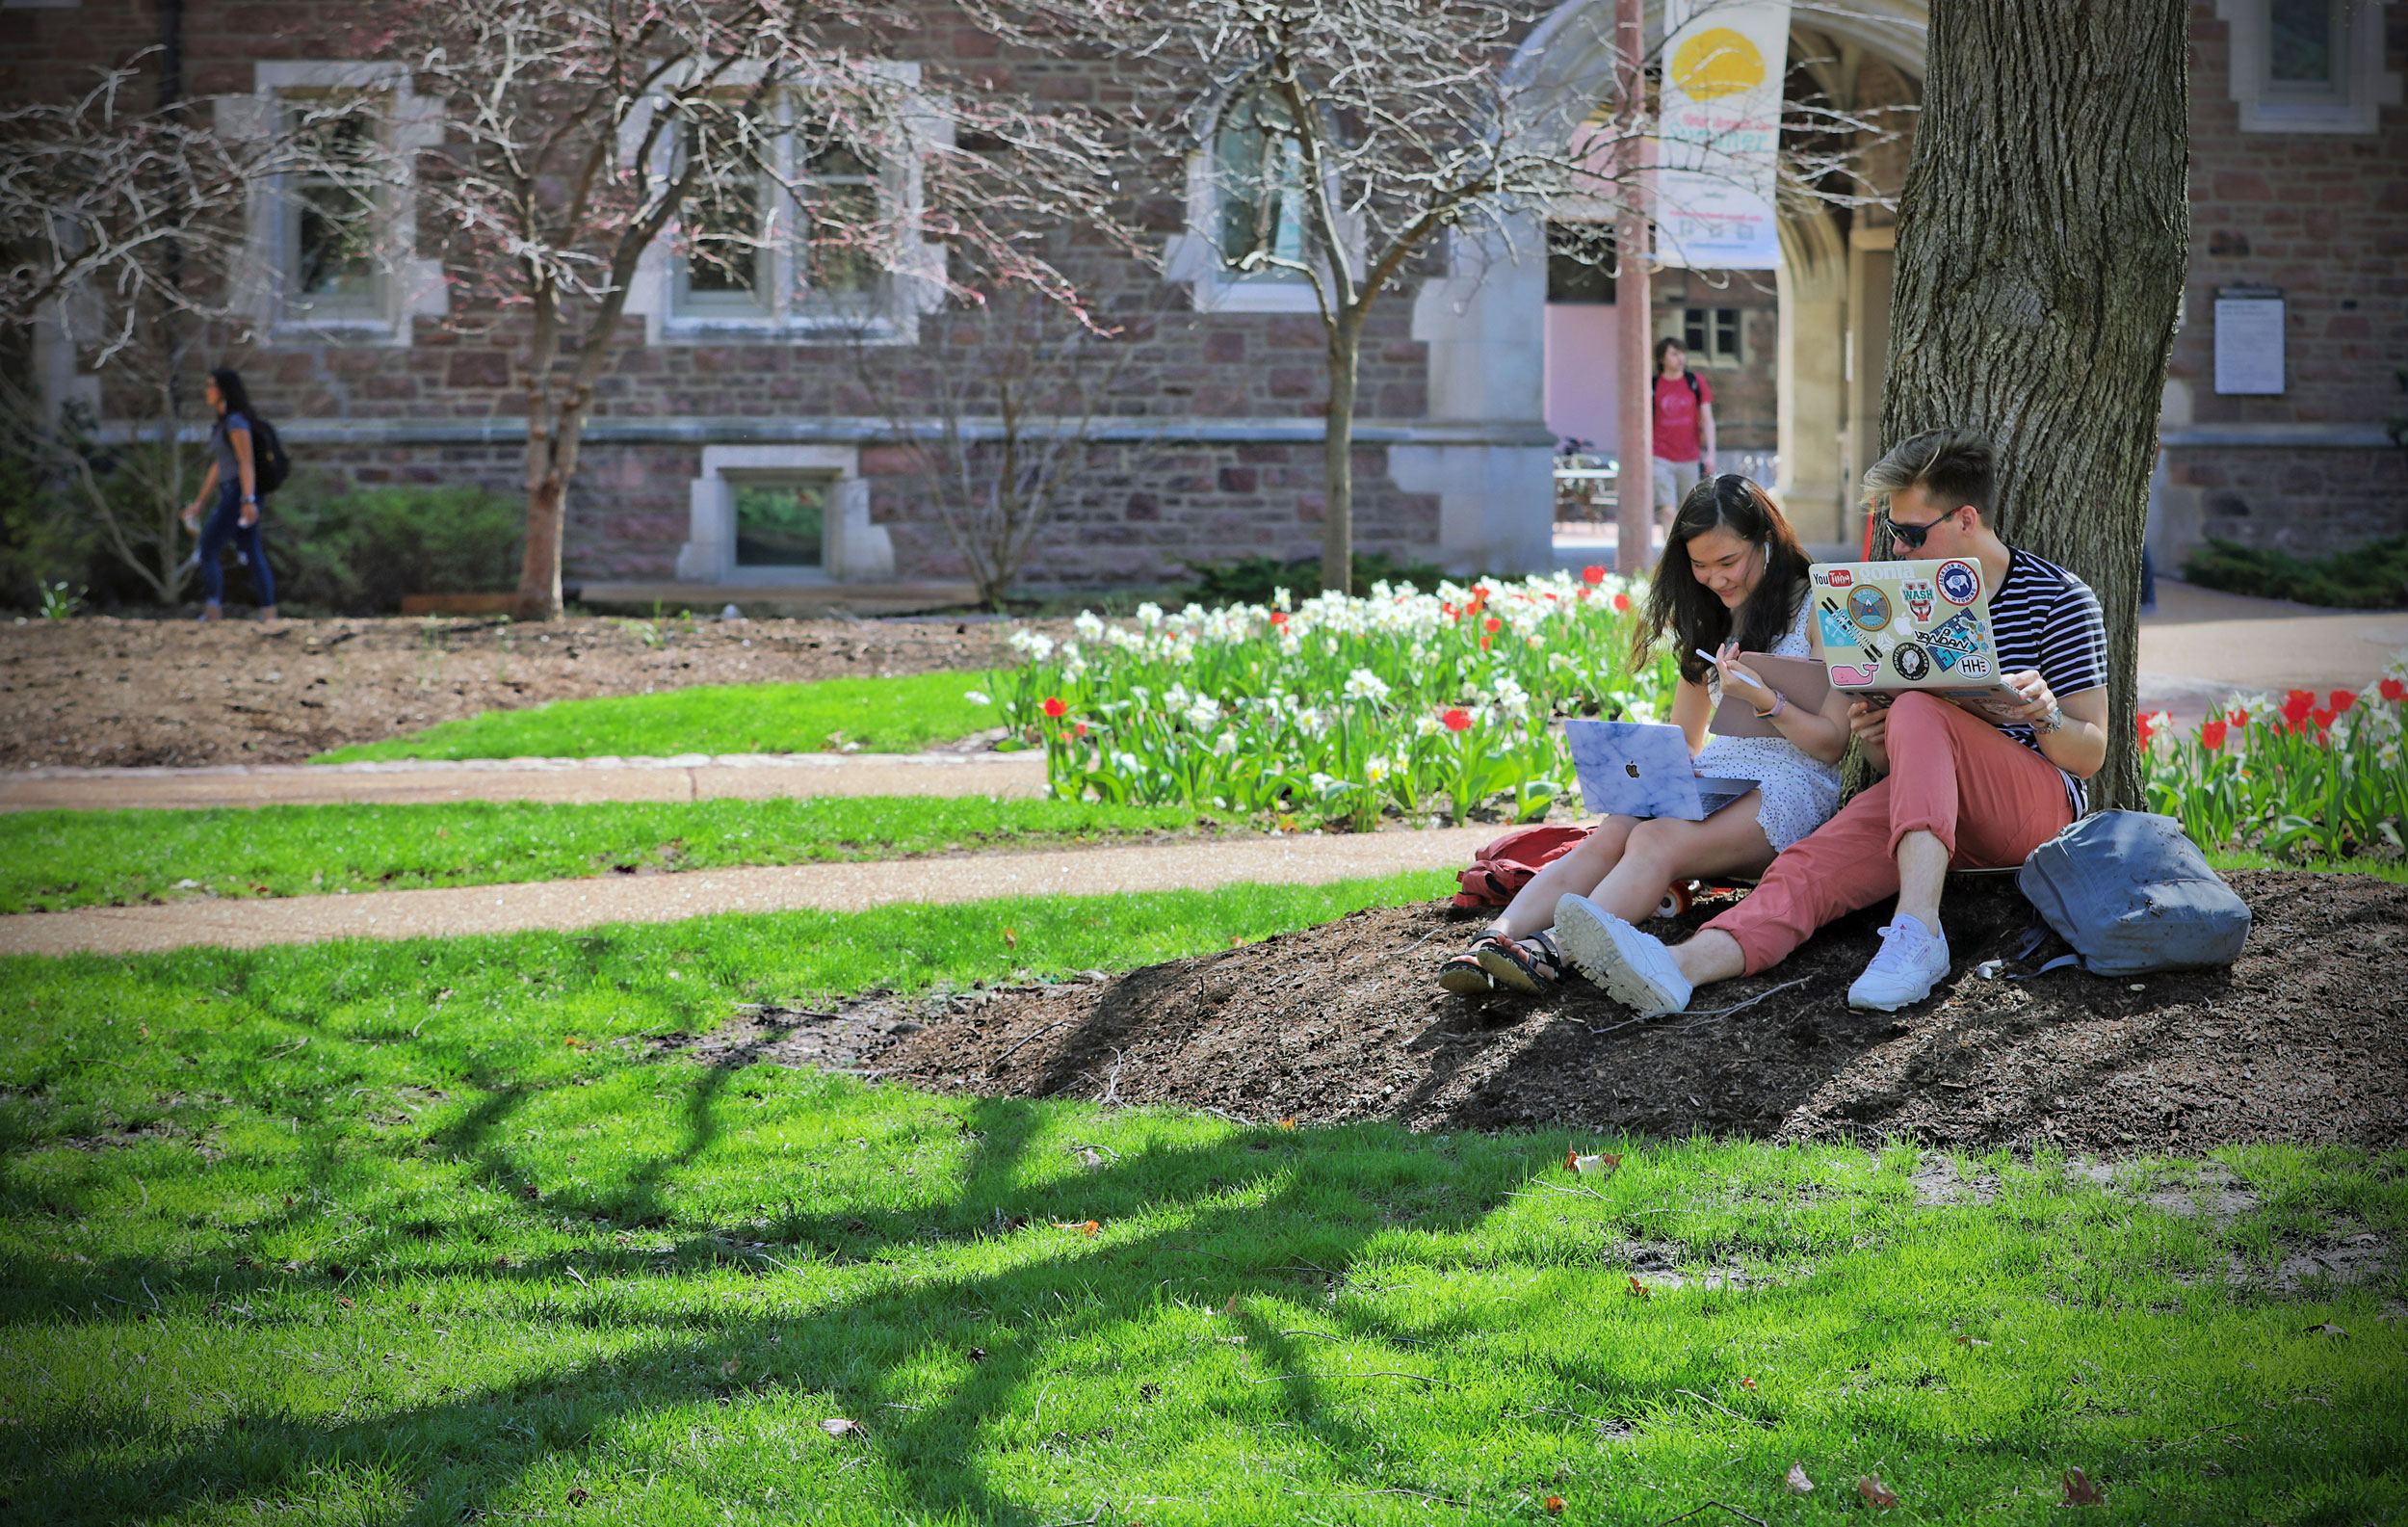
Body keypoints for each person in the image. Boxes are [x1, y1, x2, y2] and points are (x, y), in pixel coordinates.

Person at [1553, 428, 2108, 1016]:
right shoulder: (1895, 602)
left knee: (1921, 706)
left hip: (2032, 810)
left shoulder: (2058, 597)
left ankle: (1917, 933)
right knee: (1804, 869)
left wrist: (2044, 715)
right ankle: (1678, 968)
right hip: (1926, 815)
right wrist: (1876, 740)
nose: (1897, 549)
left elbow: (2089, 754)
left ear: (1966, 519)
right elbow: (1894, 764)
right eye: (1892, 532)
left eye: (1912, 534)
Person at [1438, 474, 1857, 995]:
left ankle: (1551, 952)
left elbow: (1832, 743)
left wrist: (1764, 700)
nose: (1715, 580)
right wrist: (1635, 767)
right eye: (1699, 566)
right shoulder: (1713, 620)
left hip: (1791, 786)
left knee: (1655, 838)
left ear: (1767, 542)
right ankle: (1495, 939)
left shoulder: (1825, 608)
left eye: (1728, 562)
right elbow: (1685, 740)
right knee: (1617, 828)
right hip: (1716, 779)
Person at [180, 366, 277, 621]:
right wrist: (200, 502)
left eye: (210, 385)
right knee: (251, 549)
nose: (207, 391)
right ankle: (268, 611)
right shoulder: (223, 424)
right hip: (232, 491)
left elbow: (246, 463)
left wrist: (248, 500)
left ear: (222, 390)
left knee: (208, 547)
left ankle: (213, 610)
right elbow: (219, 466)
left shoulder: (236, 422)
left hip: (238, 493)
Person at [1649, 337, 1715, 528]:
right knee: (1668, 510)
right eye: (1674, 354)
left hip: (1689, 457)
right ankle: (1668, 555)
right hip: (1660, 456)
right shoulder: (1654, 385)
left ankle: (1685, 555)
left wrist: (1710, 454)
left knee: (1689, 512)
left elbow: (1707, 420)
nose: (1680, 358)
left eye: (1682, 353)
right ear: (1662, 358)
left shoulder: (1694, 382)